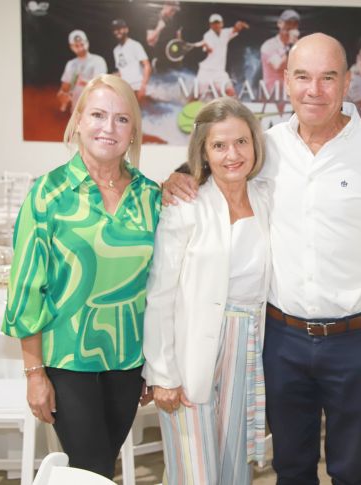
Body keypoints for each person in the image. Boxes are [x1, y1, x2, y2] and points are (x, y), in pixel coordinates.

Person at [163, 33, 361, 485]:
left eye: (328, 78)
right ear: (286, 80)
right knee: (291, 467)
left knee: (350, 467)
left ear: (347, 83)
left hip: (357, 341)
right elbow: (215, 165)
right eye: (303, 76)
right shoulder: (265, 148)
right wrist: (176, 177)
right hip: (281, 339)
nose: (315, 90)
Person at [1, 74, 162, 478]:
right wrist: (34, 373)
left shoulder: (150, 196)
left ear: (134, 133)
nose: (109, 128)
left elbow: (162, 284)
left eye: (122, 119)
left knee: (98, 469)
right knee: (92, 467)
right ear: (77, 122)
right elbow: (25, 291)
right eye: (98, 115)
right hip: (67, 359)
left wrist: (156, 362)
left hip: (127, 361)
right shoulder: (48, 194)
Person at [142, 97, 270, 484]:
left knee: (233, 469)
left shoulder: (268, 200)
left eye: (241, 142)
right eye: (219, 145)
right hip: (192, 352)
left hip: (248, 351)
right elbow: (160, 293)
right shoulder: (186, 204)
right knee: (193, 472)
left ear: (254, 145)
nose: (232, 154)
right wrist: (162, 373)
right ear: (203, 151)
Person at [195, 14, 250, 98]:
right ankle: (185, 110)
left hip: (220, 73)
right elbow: (208, 49)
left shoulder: (225, 33)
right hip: (205, 72)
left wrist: (240, 25)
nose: (216, 25)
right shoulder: (207, 36)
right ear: (210, 25)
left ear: (222, 24)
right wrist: (207, 48)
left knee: (231, 94)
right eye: (214, 23)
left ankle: (234, 111)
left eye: (218, 23)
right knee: (197, 96)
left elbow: (235, 30)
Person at [57, 29, 108, 113]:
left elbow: (100, 85)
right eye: (76, 46)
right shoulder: (71, 64)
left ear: (87, 43)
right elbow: (65, 87)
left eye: (82, 44)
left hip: (96, 110)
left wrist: (82, 82)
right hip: (76, 111)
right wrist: (62, 95)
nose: (80, 48)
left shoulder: (98, 60)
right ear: (71, 47)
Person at [260, 9, 300, 101]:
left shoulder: (300, 46)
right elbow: (278, 66)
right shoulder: (269, 45)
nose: (290, 26)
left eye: (294, 24)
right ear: (279, 23)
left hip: (291, 98)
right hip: (272, 97)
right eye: (288, 23)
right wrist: (291, 46)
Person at [111, 18, 152, 103]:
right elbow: (121, 72)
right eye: (115, 29)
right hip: (126, 90)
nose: (117, 31)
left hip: (138, 87)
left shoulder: (135, 45)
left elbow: (147, 65)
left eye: (120, 28)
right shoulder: (116, 50)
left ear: (126, 29)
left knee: (144, 114)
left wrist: (143, 86)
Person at [145, 0, 182, 72]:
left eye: (175, 11)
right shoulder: (154, 19)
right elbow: (149, 41)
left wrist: (179, 56)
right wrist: (158, 28)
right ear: (165, 5)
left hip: (172, 61)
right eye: (172, 10)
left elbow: (179, 40)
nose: (173, 13)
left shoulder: (175, 20)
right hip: (158, 62)